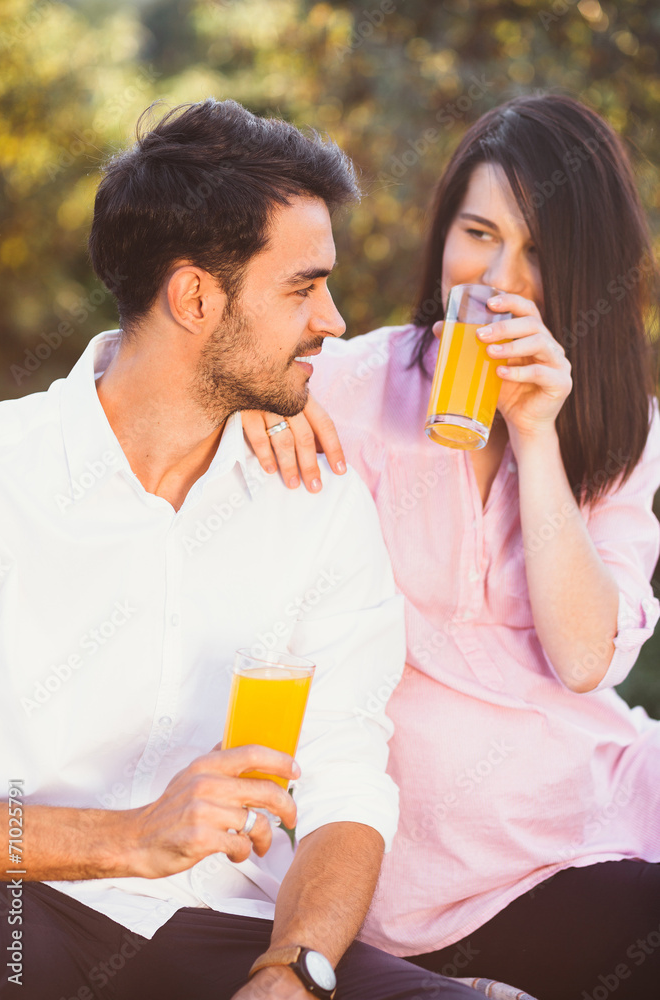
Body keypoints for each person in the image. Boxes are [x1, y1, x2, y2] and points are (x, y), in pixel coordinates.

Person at [0, 99, 481, 1000]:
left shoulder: (315, 504)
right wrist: (127, 838)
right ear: (194, 298)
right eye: (302, 288)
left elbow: (344, 779)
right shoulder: (4, 477)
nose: (333, 319)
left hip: (226, 925)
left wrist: (295, 968)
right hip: (19, 910)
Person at [242, 93, 660, 1000]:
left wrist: (537, 436)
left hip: (604, 800)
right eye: (478, 234)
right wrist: (246, 407)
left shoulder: (622, 425)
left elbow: (584, 659)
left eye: (538, 251)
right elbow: (169, 376)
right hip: (441, 866)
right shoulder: (344, 388)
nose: (501, 279)